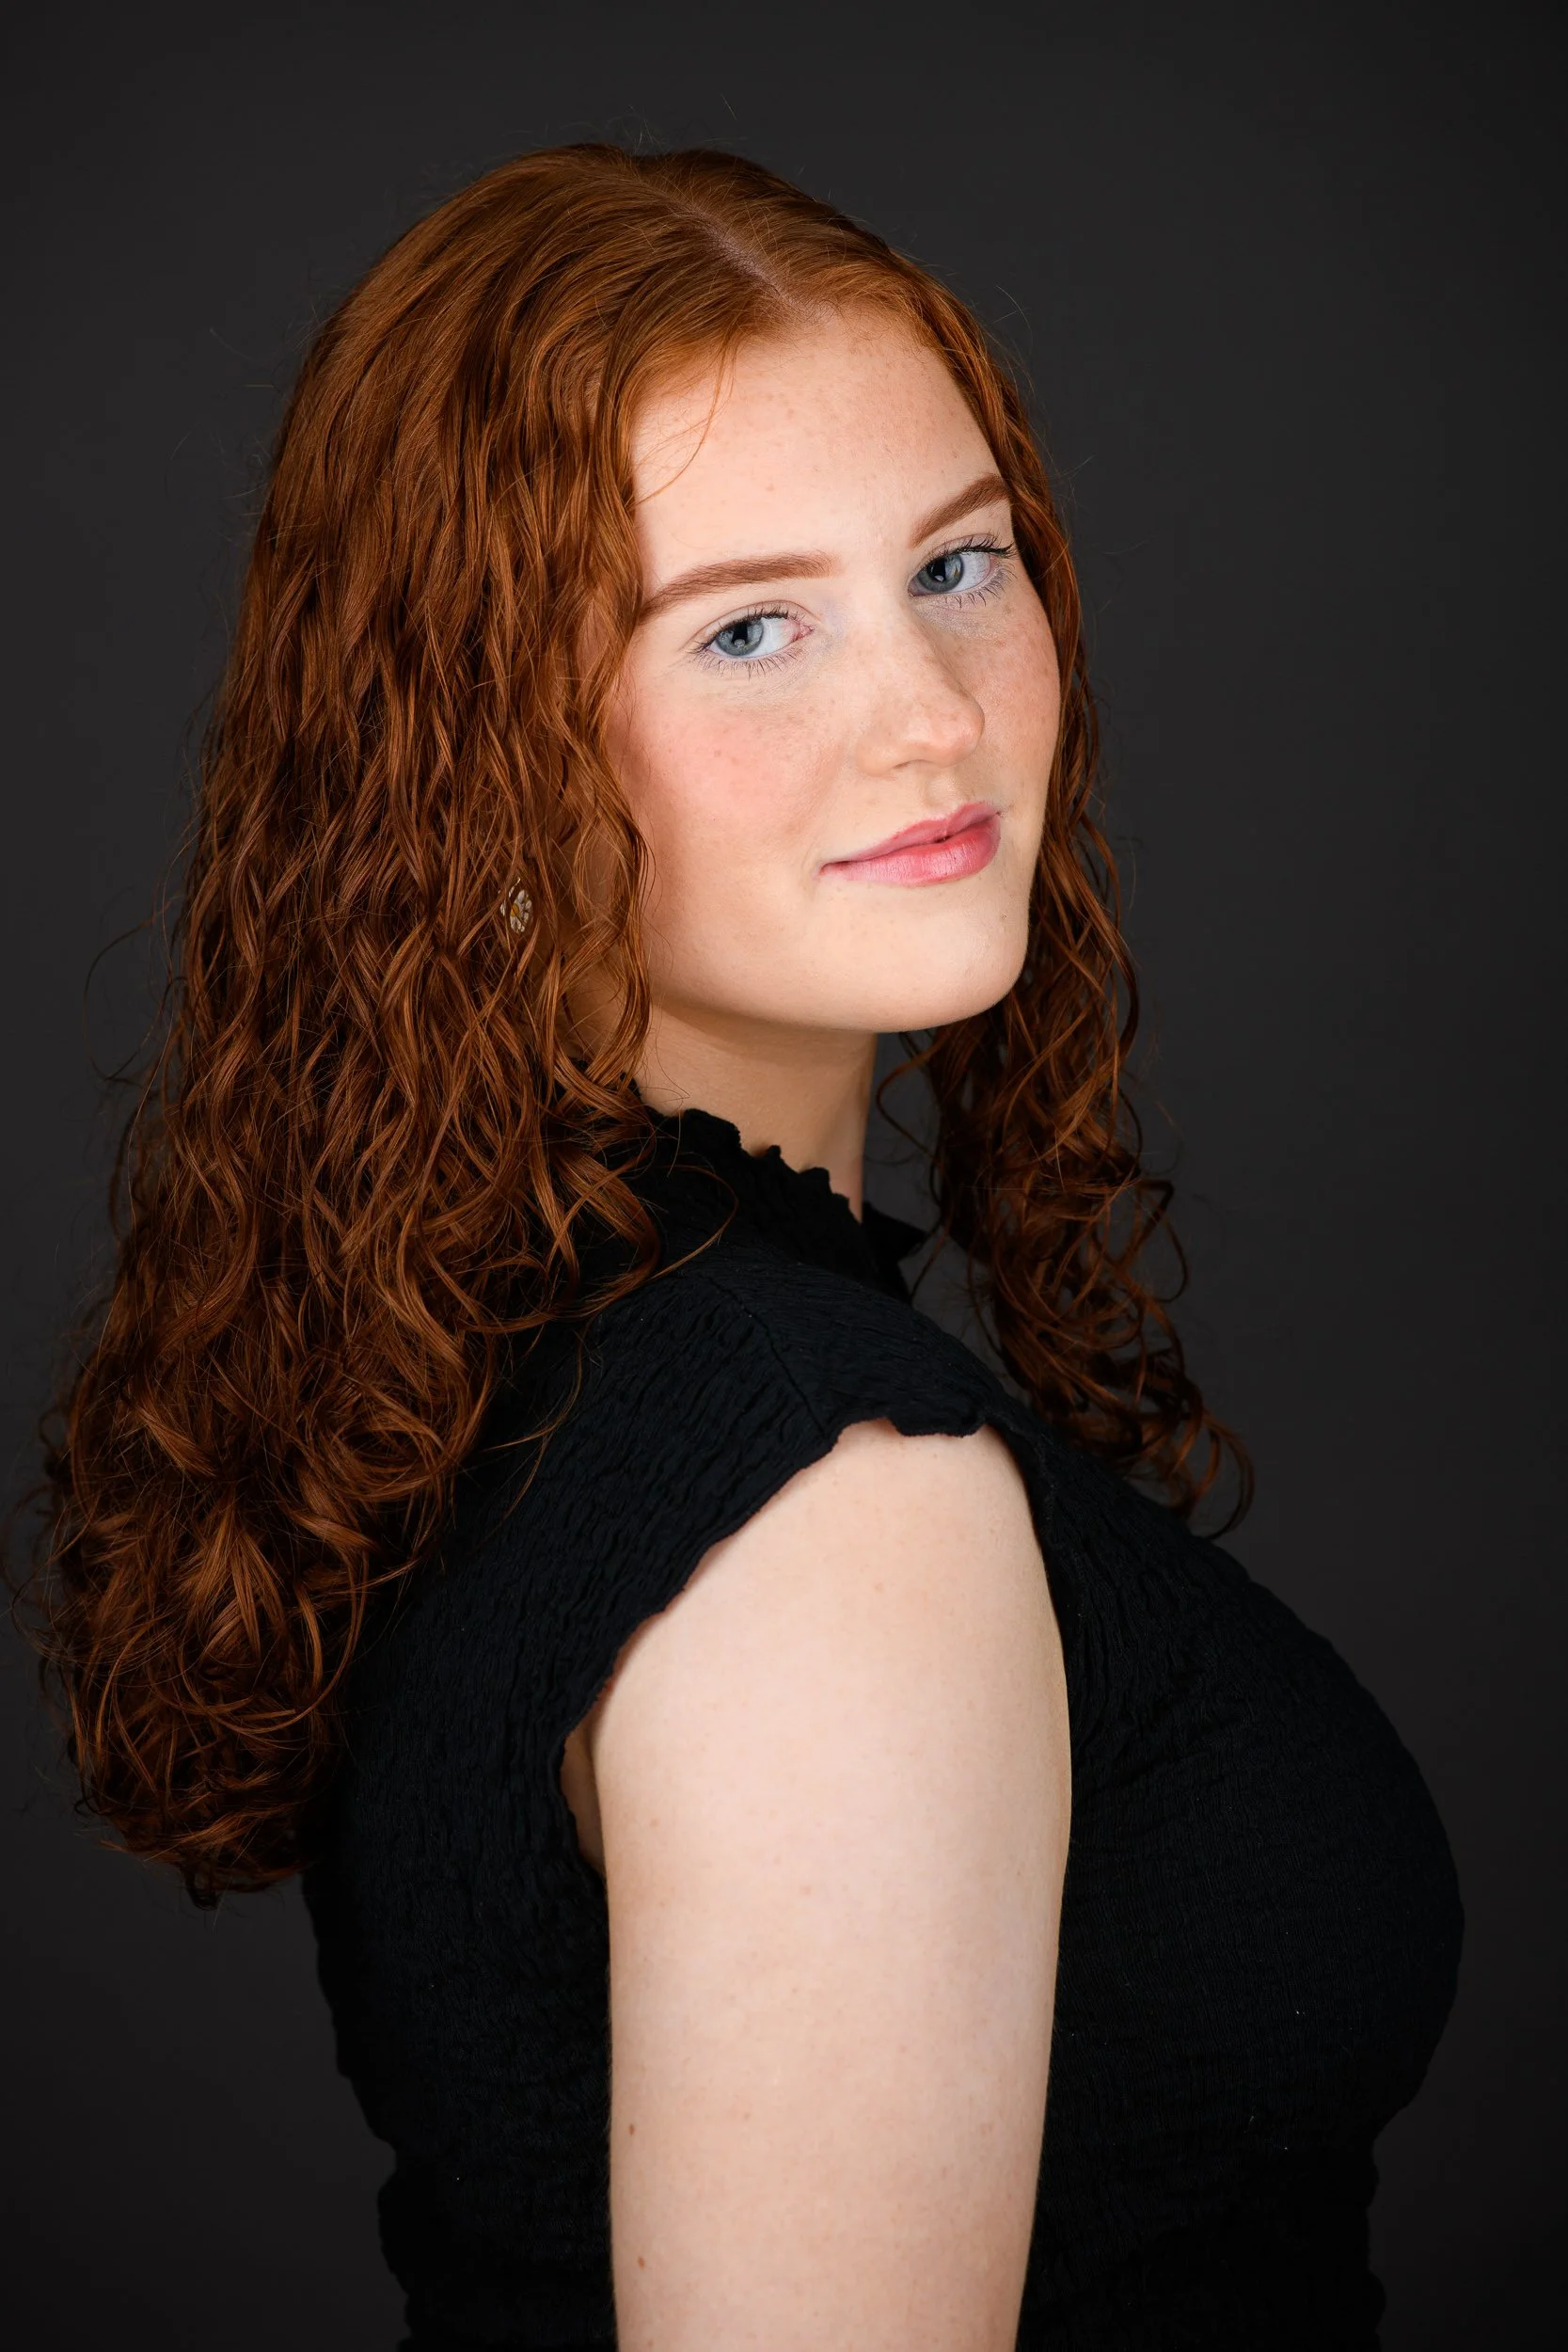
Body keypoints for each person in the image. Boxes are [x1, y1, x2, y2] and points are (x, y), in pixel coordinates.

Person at [32, 145, 1462, 2348]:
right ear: (475, 759)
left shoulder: (524, 1342)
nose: (929, 710)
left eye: (959, 563)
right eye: (750, 623)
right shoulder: (821, 1495)